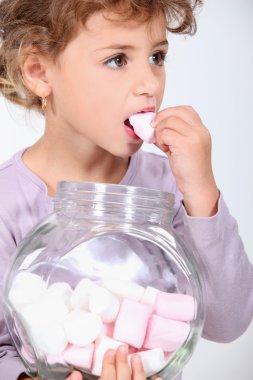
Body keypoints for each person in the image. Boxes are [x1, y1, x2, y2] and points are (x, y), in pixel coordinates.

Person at [0, 0, 253, 379]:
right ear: (39, 72)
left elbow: (227, 322)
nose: (149, 84)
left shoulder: (171, 186)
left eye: (156, 56)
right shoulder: (6, 201)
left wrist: (201, 189)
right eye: (117, 59)